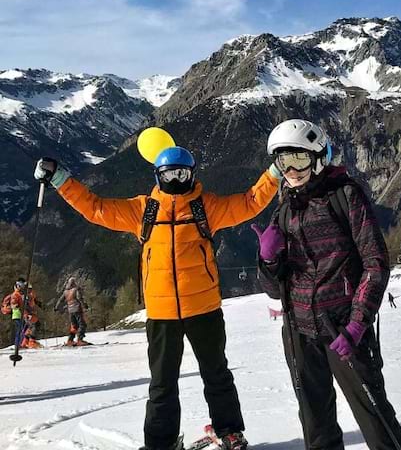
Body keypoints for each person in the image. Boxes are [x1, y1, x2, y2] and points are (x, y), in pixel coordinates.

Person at [34, 146, 281, 450]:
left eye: (182, 174)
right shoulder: (144, 210)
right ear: (158, 176)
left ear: (192, 174)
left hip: (203, 309)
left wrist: (275, 173)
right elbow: (94, 207)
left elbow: (249, 202)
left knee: (216, 373)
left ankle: (229, 430)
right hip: (163, 314)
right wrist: (60, 179)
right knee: (162, 384)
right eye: (169, 175)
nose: (176, 181)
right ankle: (160, 443)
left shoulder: (207, 207)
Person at [254, 119, 401, 450]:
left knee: (376, 420)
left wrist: (357, 324)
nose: (291, 170)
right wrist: (269, 261)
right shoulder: (285, 206)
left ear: (317, 158)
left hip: (341, 327)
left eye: (298, 159)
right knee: (316, 426)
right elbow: (275, 290)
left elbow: (376, 262)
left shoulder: (345, 195)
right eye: (283, 162)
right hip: (299, 332)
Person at [55, 277, 89, 346]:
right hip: (77, 309)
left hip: (70, 311)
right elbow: (79, 298)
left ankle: (70, 340)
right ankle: (80, 340)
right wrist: (84, 305)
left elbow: (60, 300)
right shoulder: (76, 289)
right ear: (74, 283)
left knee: (74, 326)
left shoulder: (65, 292)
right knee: (82, 324)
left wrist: (56, 307)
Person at [22, 283, 43, 348]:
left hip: (31, 313)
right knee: (36, 325)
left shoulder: (30, 295)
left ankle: (25, 341)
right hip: (28, 314)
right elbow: (24, 306)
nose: (30, 290)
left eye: (30, 289)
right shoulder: (25, 296)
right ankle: (32, 341)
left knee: (30, 327)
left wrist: (40, 304)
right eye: (29, 289)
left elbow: (34, 301)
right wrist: (27, 314)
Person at [9, 279, 26, 348]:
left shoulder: (19, 294)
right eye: (21, 286)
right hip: (17, 315)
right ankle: (17, 345)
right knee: (19, 331)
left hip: (20, 315)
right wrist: (18, 305)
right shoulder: (15, 294)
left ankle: (19, 344)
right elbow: (13, 304)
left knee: (21, 330)